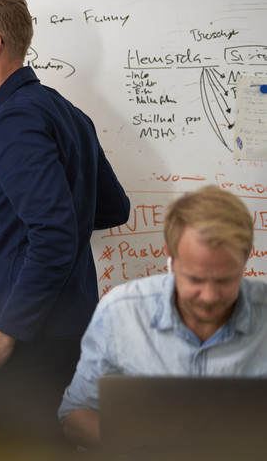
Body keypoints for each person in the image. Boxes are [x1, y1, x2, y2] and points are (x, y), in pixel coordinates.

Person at [0, 0, 130, 445]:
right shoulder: (65, 112)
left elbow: (54, 231)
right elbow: (112, 207)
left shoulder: (15, 119)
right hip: (67, 328)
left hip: (30, 338)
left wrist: (7, 334)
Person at [59, 185, 267, 449]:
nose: (210, 296)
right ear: (169, 255)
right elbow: (74, 416)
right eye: (195, 279)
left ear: (246, 256)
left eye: (226, 279)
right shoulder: (121, 312)